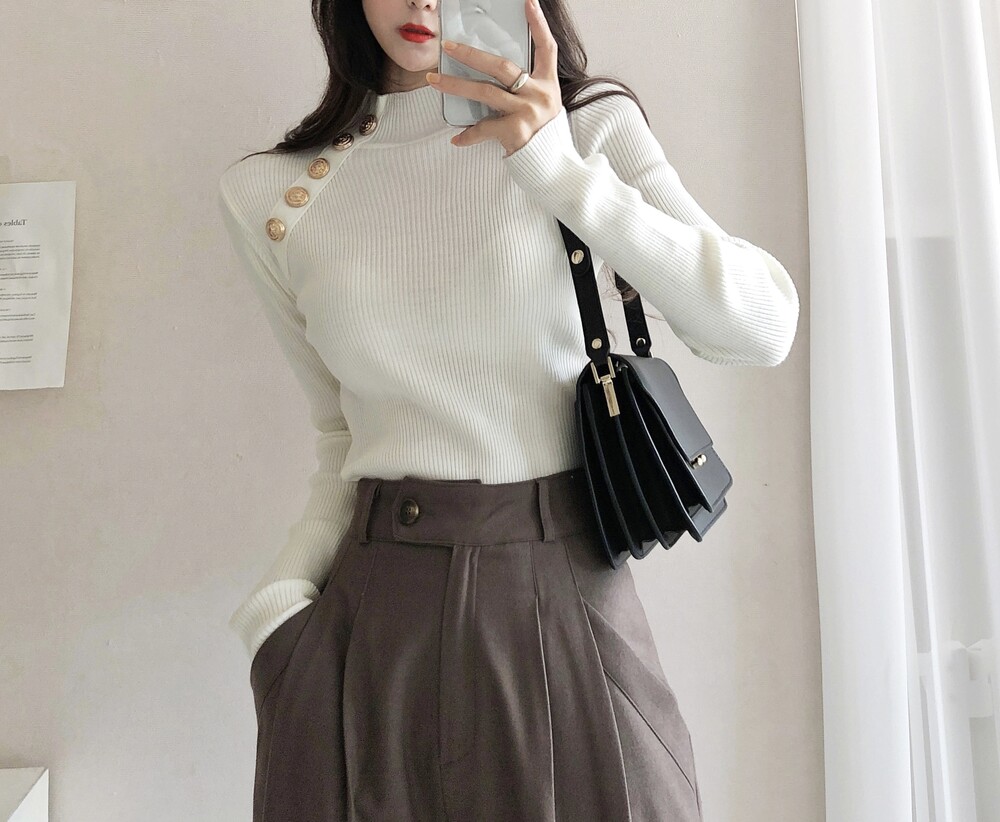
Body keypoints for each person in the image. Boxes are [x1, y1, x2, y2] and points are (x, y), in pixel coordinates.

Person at [217, 0, 800, 818]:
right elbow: (340, 434)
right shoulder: (275, 196)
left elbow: (761, 328)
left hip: (567, 600)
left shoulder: (586, 129)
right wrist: (278, 614)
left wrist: (556, 168)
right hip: (367, 627)